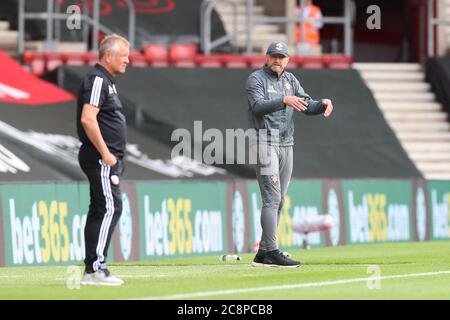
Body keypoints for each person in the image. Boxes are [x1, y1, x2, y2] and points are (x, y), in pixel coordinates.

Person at [246, 42, 333, 268]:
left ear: (287, 60)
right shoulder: (256, 79)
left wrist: (322, 104)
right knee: (272, 198)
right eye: (273, 56)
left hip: (286, 143)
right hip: (264, 142)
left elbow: (306, 105)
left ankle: (263, 253)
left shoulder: (290, 81)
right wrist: (283, 100)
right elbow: (257, 106)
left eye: (281, 57)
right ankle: (272, 252)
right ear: (266, 58)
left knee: (280, 200)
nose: (277, 60)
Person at [77, 34, 129, 285]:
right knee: (110, 207)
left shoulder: (107, 81)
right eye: (123, 55)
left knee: (100, 208)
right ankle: (96, 269)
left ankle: (92, 269)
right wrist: (106, 153)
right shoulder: (97, 79)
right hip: (100, 157)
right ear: (108, 56)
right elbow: (88, 118)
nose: (128, 60)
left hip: (105, 158)